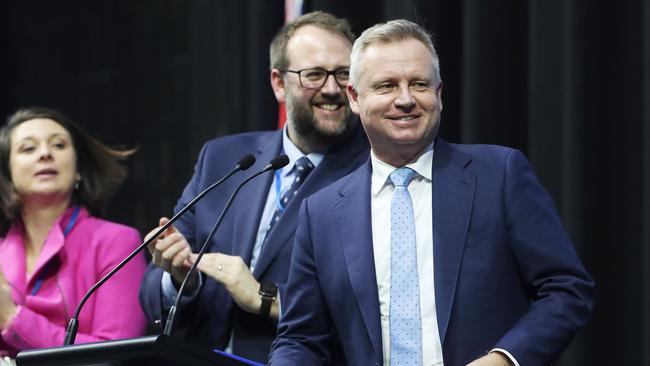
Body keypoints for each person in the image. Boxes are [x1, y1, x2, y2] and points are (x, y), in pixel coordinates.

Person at [269, 19, 594, 366]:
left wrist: (503, 359)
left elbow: (566, 289)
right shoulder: (320, 213)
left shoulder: (499, 175)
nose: (406, 99)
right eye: (387, 86)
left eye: (420, 84)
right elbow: (301, 337)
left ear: (438, 93)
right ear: (355, 98)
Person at [139, 11, 369, 363]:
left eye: (343, 74)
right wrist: (180, 276)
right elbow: (153, 289)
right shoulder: (224, 157)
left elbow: (367, 302)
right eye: (314, 75)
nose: (332, 89)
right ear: (279, 83)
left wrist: (265, 297)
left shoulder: (372, 171)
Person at [0, 107, 146, 358]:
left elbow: (116, 354)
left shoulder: (118, 242)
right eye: (28, 148)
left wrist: (12, 318)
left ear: (78, 170)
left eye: (58, 145)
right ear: (8, 175)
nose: (45, 154)